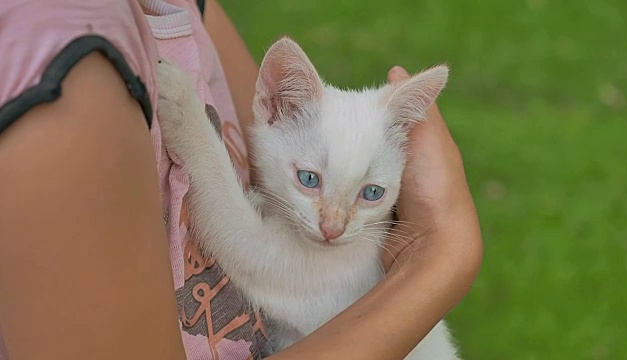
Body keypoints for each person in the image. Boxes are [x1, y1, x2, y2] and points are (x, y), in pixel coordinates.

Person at [0, 0, 483, 359]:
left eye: (371, 195)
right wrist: (440, 254)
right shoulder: (57, 71)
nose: (333, 226)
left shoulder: (187, 10)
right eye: (310, 181)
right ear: (273, 107)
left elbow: (253, 258)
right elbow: (254, 255)